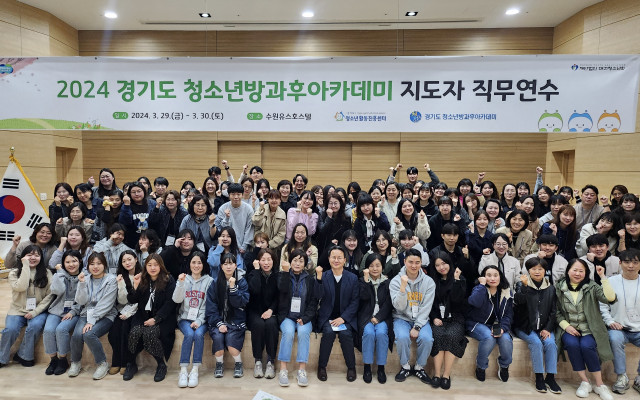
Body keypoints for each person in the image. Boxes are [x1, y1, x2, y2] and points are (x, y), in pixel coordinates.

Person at [555, 259, 616, 400]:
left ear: (586, 273)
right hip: (569, 328)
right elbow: (556, 311)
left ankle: (599, 385)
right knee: (572, 345)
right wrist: (566, 326)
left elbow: (610, 298)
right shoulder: (559, 287)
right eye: (574, 270)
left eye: (581, 271)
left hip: (589, 328)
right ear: (568, 271)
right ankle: (585, 382)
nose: (577, 273)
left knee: (587, 346)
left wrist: (603, 277)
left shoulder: (592, 286)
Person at [513, 257, 562, 393]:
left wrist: (547, 329)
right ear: (528, 270)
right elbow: (519, 301)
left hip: (544, 327)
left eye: (540, 269)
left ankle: (550, 378)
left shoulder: (551, 288)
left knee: (551, 344)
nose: (537, 271)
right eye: (533, 269)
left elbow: (553, 311)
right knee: (536, 343)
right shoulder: (521, 284)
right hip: (525, 327)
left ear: (545, 271)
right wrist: (524, 287)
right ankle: (539, 377)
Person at [126, 254, 177, 382]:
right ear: (145, 266)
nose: (152, 268)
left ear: (161, 266)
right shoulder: (143, 279)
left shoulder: (168, 279)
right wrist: (135, 285)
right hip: (143, 315)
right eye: (149, 265)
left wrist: (156, 319)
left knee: (149, 334)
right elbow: (132, 300)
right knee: (134, 332)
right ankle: (131, 363)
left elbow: (170, 303)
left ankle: (161, 365)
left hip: (163, 317)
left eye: (155, 265)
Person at [0, 245, 53, 368]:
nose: (33, 258)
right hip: (17, 310)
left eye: (36, 255)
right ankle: (1, 357)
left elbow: (50, 296)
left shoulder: (47, 273)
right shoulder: (14, 273)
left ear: (41, 258)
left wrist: (35, 312)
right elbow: (21, 287)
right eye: (29, 255)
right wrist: (25, 266)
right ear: (23, 257)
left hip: (39, 310)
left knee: (35, 326)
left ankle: (24, 355)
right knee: (10, 329)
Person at [389, 248, 435, 384]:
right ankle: (405, 366)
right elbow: (399, 307)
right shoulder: (396, 281)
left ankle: (419, 367)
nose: (414, 266)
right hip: (401, 317)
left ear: (421, 263)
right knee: (402, 337)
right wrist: (403, 288)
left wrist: (418, 326)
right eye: (410, 262)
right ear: (404, 261)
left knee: (427, 339)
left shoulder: (429, 282)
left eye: (417, 262)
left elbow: (426, 307)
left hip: (421, 319)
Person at [68, 252, 117, 380]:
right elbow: (81, 301)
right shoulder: (85, 278)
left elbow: (107, 304)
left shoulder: (111, 279)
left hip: (106, 315)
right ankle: (75, 362)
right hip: (86, 313)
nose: (95, 267)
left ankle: (102, 363)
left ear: (104, 265)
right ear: (88, 266)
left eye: (99, 263)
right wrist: (82, 284)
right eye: (92, 264)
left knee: (89, 334)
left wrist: (92, 320)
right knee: (77, 335)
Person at [314, 245, 360, 382]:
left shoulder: (353, 278)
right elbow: (317, 296)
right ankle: (321, 367)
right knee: (328, 333)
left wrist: (343, 318)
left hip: (345, 318)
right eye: (333, 257)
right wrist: (318, 279)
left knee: (346, 334)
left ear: (345, 260)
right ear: (328, 259)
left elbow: (355, 302)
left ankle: (351, 368)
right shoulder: (324, 276)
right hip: (327, 317)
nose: (336, 260)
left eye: (339, 257)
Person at [600, 249, 640, 394]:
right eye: (627, 262)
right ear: (620, 263)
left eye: (635, 262)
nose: (631, 266)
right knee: (614, 339)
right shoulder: (610, 282)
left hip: (638, 329)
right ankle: (621, 376)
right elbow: (603, 306)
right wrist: (610, 321)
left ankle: (639, 378)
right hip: (618, 327)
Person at [276, 249, 317, 387]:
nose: (297, 263)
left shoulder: (310, 279)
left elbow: (313, 302)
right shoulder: (283, 275)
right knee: (288, 332)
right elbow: (282, 290)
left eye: (301, 261)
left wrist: (305, 318)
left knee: (303, 332)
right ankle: (283, 369)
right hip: (287, 316)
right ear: (290, 261)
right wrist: (286, 272)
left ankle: (302, 370)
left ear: (305, 264)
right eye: (295, 260)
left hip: (304, 317)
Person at [466, 265, 514, 383]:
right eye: (488, 275)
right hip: (476, 323)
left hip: (497, 324)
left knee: (506, 339)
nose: (492, 278)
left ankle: (504, 366)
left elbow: (508, 315)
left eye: (495, 275)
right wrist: (482, 285)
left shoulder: (506, 292)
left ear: (500, 277)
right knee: (489, 338)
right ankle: (481, 367)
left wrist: (503, 328)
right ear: (483, 277)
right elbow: (474, 302)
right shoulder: (479, 289)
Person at [172, 251, 213, 388]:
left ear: (203, 264)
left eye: (199, 262)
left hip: (202, 320)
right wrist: (180, 283)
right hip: (185, 318)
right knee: (189, 334)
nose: (196, 265)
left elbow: (208, 305)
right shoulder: (184, 279)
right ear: (189, 264)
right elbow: (176, 300)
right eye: (193, 262)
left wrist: (199, 321)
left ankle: (195, 370)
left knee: (199, 334)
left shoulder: (209, 281)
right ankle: (183, 370)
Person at [205, 252, 250, 378]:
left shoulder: (242, 282)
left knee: (231, 341)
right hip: (217, 321)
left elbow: (240, 303)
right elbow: (211, 307)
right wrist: (219, 324)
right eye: (225, 264)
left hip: (236, 320)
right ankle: (219, 364)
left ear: (235, 265)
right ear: (221, 266)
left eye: (231, 264)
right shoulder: (214, 283)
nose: (228, 266)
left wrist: (233, 288)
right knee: (218, 338)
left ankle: (238, 363)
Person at [427, 252, 467, 390]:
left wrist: (456, 280)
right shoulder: (432, 281)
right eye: (437, 265)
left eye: (443, 263)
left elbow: (457, 300)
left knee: (451, 336)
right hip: (438, 317)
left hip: (456, 317)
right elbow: (430, 303)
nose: (441, 267)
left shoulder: (460, 279)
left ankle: (446, 375)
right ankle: (437, 374)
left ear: (449, 263)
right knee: (437, 335)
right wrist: (434, 317)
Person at [43, 250, 82, 376]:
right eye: (67, 262)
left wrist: (73, 311)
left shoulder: (84, 276)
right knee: (48, 330)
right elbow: (58, 291)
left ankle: (62, 360)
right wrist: (60, 273)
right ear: (63, 263)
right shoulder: (59, 275)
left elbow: (84, 299)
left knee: (61, 329)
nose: (71, 264)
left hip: (74, 312)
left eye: (74, 261)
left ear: (80, 261)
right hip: (56, 310)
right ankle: (53, 360)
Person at [358, 253, 393, 384]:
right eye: (371, 266)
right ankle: (367, 367)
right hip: (366, 316)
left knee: (382, 333)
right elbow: (364, 298)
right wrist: (366, 281)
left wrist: (378, 318)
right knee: (368, 333)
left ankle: (381, 368)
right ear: (367, 267)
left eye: (378, 265)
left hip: (382, 317)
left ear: (382, 267)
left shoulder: (387, 282)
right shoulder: (361, 281)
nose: (374, 268)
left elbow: (389, 304)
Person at [246, 248, 279, 380]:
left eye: (269, 259)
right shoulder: (252, 274)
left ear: (273, 261)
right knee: (258, 324)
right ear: (258, 261)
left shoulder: (277, 275)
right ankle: (258, 361)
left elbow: (279, 297)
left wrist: (271, 310)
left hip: (272, 311)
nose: (266, 263)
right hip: (255, 311)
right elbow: (255, 290)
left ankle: (270, 361)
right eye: (263, 260)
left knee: (271, 324)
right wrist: (256, 271)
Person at [108, 250, 140, 377]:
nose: (127, 263)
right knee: (114, 330)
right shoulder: (121, 277)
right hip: (122, 309)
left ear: (136, 259)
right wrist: (120, 284)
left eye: (129, 259)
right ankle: (116, 362)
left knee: (126, 329)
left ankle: (126, 363)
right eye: (124, 261)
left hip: (138, 310)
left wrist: (130, 313)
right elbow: (122, 301)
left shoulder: (143, 275)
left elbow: (141, 299)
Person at [428, 223, 476, 294]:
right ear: (442, 236)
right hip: (441, 289)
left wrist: (467, 258)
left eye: (455, 235)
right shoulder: (434, 253)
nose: (452, 238)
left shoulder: (462, 251)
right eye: (449, 235)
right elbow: (432, 274)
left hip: (461, 288)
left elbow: (472, 273)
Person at [214, 182, 255, 254]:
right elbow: (221, 229)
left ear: (242, 195)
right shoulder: (223, 208)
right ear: (229, 195)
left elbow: (249, 229)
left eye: (238, 194)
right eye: (233, 194)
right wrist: (226, 218)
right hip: (226, 247)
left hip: (244, 247)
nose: (236, 197)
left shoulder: (249, 209)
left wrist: (244, 246)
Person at [119, 181, 157, 249]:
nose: (136, 194)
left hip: (150, 241)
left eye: (139, 191)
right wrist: (127, 206)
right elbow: (125, 223)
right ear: (129, 194)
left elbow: (156, 222)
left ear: (144, 191)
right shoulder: (126, 205)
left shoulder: (152, 203)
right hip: (132, 242)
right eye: (133, 192)